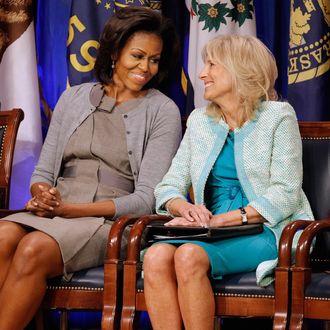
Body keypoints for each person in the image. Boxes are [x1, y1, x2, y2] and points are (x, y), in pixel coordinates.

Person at [0, 6, 181, 329]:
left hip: (112, 221)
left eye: (154, 59)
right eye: (137, 56)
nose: (146, 67)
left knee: (32, 250)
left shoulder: (162, 111)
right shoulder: (74, 98)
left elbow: (146, 200)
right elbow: (42, 175)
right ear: (114, 51)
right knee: (2, 237)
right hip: (59, 208)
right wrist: (44, 197)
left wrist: (69, 210)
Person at [143, 35, 314, 330]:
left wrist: (222, 221)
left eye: (212, 65)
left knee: (188, 256)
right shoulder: (199, 120)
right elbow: (168, 185)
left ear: (240, 70)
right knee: (156, 256)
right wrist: (184, 208)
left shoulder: (278, 116)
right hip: (209, 230)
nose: (201, 74)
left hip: (268, 229)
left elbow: (285, 193)